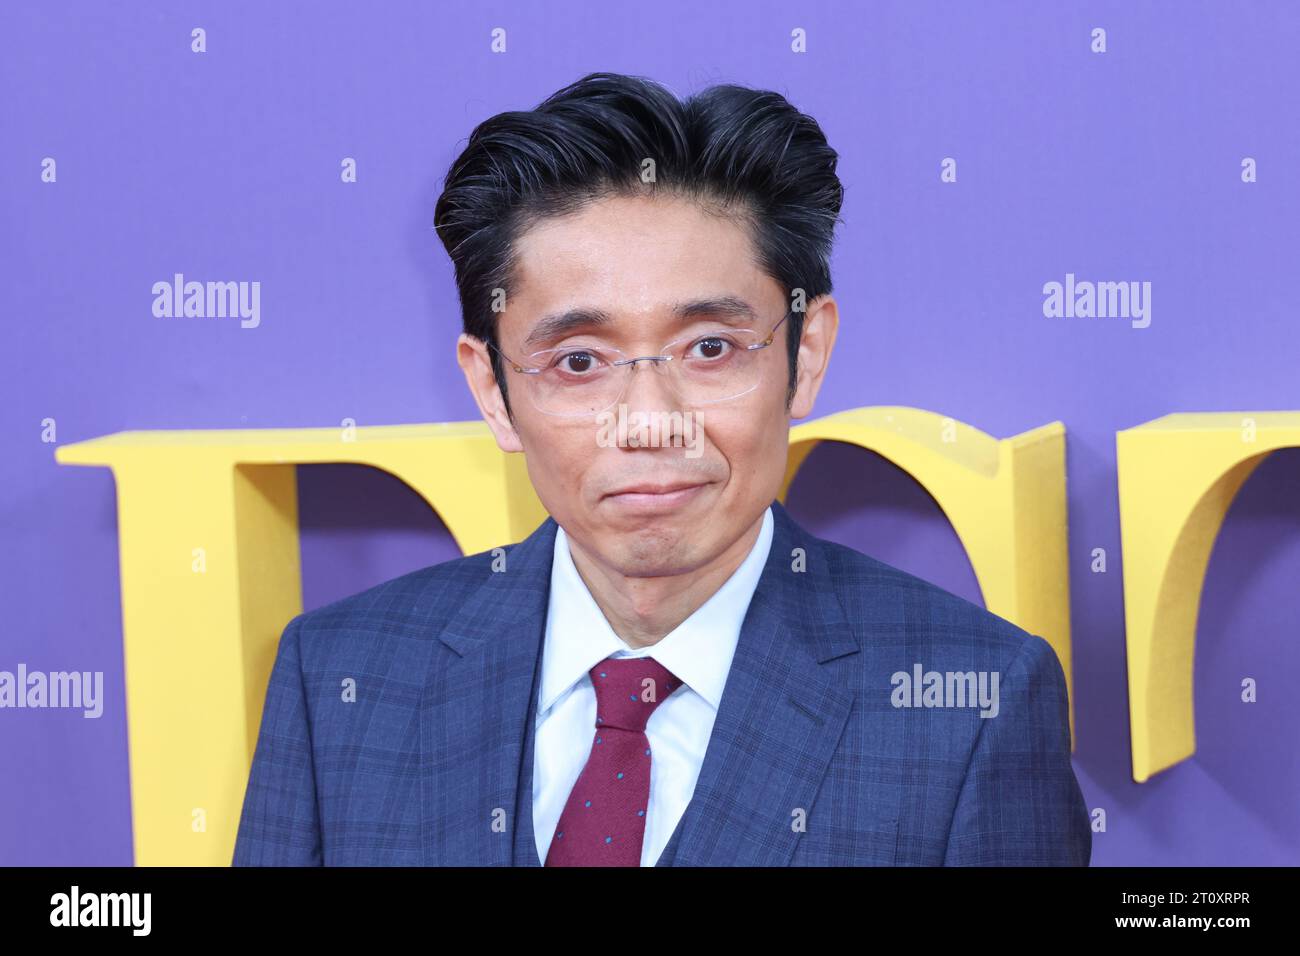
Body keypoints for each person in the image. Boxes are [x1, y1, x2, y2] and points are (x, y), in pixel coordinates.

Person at [233, 71, 1091, 866]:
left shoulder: (971, 703)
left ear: (806, 353)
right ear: (491, 389)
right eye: (577, 361)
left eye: (710, 347)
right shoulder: (338, 680)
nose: (649, 424)